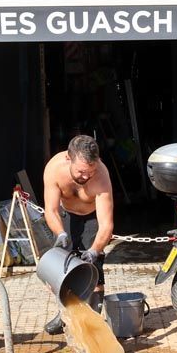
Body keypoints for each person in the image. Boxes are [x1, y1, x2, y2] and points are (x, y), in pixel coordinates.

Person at [41, 135, 115, 335]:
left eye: (90, 172)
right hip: (65, 216)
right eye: (81, 171)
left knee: (93, 269)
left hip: (91, 217)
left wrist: (94, 251)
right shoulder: (54, 169)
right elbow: (51, 210)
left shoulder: (101, 176)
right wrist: (60, 233)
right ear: (69, 158)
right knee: (61, 269)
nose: (85, 177)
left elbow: (106, 225)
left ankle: (93, 321)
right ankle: (64, 316)